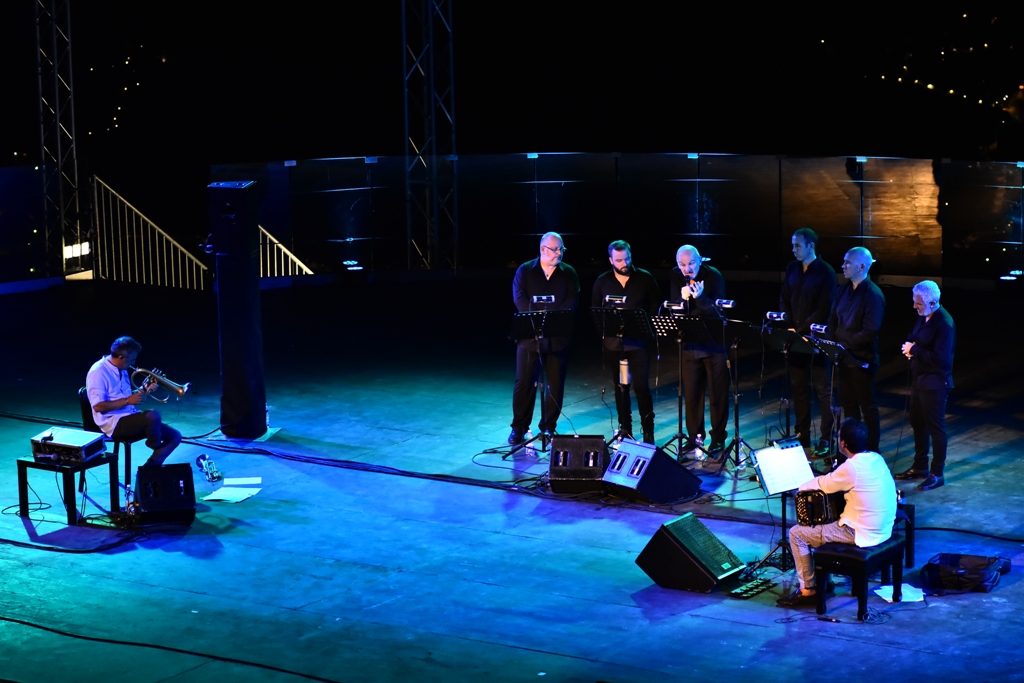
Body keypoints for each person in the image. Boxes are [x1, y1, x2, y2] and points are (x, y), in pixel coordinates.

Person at [777, 418, 897, 607]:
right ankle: (826, 580)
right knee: (824, 523)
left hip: (861, 533)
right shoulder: (876, 458)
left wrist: (800, 486)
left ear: (843, 444)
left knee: (797, 534)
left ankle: (808, 590)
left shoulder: (852, 467)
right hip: (883, 528)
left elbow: (824, 484)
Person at [510, 232, 580, 444]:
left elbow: (572, 300)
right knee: (524, 383)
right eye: (554, 249)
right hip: (529, 338)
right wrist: (537, 318)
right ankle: (519, 427)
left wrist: (552, 319)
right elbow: (519, 297)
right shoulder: (525, 270)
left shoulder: (568, 273)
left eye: (561, 249)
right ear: (542, 249)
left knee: (555, 385)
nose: (559, 253)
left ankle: (548, 427)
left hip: (557, 338)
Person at [591, 240, 662, 443]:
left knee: (641, 387)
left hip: (638, 344)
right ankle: (625, 430)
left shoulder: (645, 278)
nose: (624, 263)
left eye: (627, 258)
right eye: (619, 260)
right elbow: (596, 311)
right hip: (614, 345)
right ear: (611, 260)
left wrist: (646, 326)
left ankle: (648, 433)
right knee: (621, 387)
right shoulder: (602, 281)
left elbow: (655, 305)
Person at [780, 228, 837, 455]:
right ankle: (802, 434)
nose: (793, 250)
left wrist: (801, 329)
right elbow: (784, 298)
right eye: (793, 245)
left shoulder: (826, 272)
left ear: (811, 246)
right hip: (796, 338)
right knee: (798, 387)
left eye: (797, 246)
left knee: (823, 390)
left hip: (817, 339)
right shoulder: (791, 269)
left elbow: (825, 308)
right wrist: (789, 325)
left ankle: (827, 438)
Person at [895, 280, 955, 491]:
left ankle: (937, 473)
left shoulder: (944, 324)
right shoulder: (923, 316)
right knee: (918, 424)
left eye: (918, 303)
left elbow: (941, 359)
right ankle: (920, 466)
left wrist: (915, 350)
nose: (914, 306)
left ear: (932, 302)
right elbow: (917, 338)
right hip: (920, 381)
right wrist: (910, 346)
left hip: (935, 384)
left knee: (935, 428)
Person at [86, 336, 182, 466]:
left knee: (175, 436)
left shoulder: (122, 367)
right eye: (131, 360)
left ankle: (149, 469)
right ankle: (154, 444)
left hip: (130, 416)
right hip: (114, 423)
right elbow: (98, 406)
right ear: (121, 357)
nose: (133, 363)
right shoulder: (98, 372)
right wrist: (127, 400)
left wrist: (145, 388)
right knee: (153, 415)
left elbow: (126, 397)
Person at [669, 245, 728, 453]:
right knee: (692, 394)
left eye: (691, 263)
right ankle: (694, 437)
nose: (687, 269)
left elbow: (719, 314)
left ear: (700, 260)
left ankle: (718, 439)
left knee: (717, 394)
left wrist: (700, 298)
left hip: (714, 345)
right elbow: (674, 308)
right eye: (682, 265)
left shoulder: (714, 276)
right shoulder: (676, 276)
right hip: (690, 343)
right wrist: (682, 299)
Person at [828, 246, 885, 452]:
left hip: (862, 359)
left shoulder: (873, 294)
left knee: (867, 406)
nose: (843, 266)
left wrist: (844, 346)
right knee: (849, 406)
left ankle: (872, 450)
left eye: (847, 262)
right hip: (843, 358)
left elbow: (870, 330)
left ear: (862, 267)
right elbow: (833, 319)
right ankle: (852, 449)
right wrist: (833, 344)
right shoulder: (843, 290)